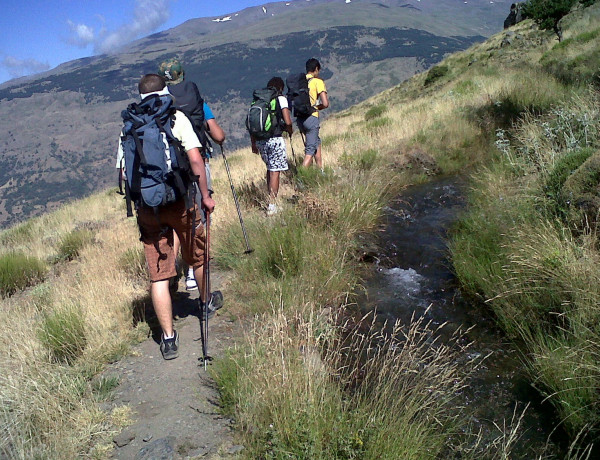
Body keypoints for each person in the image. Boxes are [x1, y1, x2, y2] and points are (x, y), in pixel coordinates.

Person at [119, 73, 215, 360]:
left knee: (158, 274)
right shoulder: (174, 117)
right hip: (179, 200)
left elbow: (125, 172)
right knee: (196, 255)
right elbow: (195, 159)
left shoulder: (129, 124)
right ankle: (206, 302)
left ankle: (169, 338)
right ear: (164, 91)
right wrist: (206, 195)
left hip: (148, 207)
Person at [158, 58, 226, 290]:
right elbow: (217, 135)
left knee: (178, 222)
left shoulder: (158, 108)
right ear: (182, 76)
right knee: (199, 219)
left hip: (169, 173)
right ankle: (193, 270)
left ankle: (170, 274)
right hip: (197, 166)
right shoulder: (197, 102)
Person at [250, 77, 293, 215]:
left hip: (260, 141)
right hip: (275, 139)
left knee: (270, 168)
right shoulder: (280, 99)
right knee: (275, 171)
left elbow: (252, 123)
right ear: (280, 88)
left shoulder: (259, 100)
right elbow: (287, 120)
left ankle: (270, 201)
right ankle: (272, 205)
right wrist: (290, 130)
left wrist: (253, 144)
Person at [298, 58, 329, 168]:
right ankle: (302, 177)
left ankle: (320, 169)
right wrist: (316, 107)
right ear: (316, 69)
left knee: (316, 142)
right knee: (310, 150)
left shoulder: (300, 82)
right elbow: (325, 103)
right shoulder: (317, 82)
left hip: (300, 119)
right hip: (311, 117)